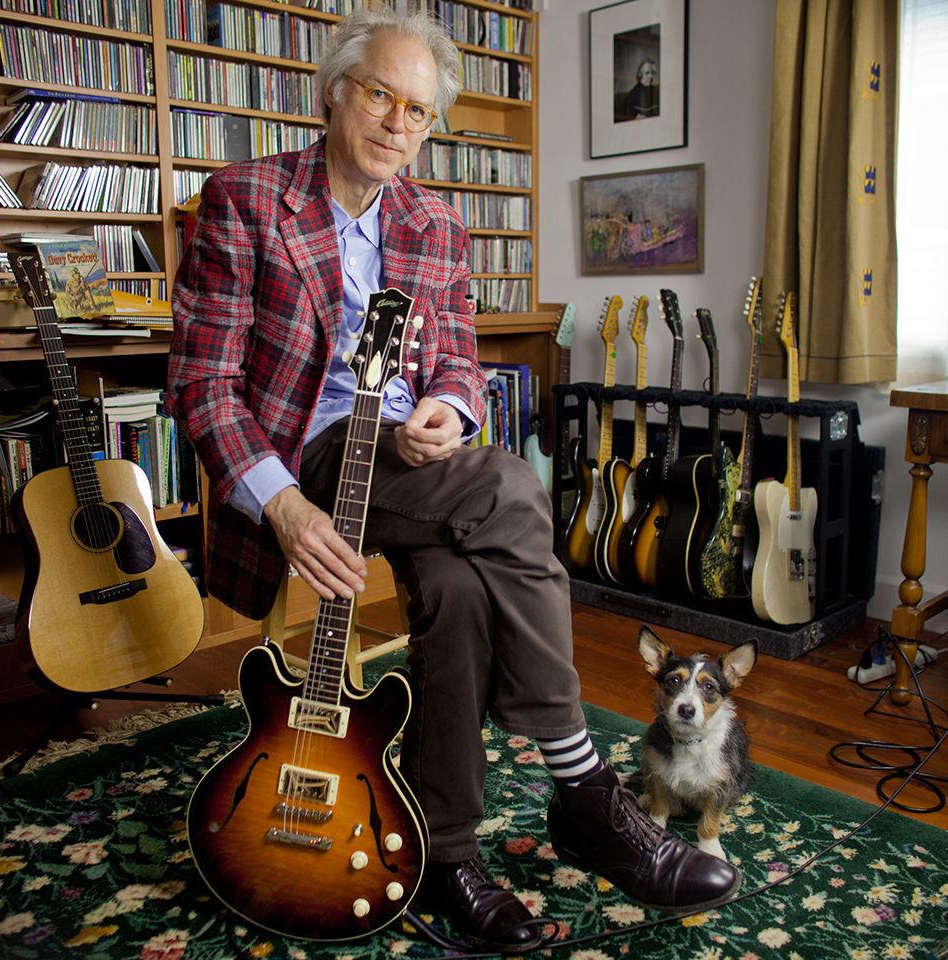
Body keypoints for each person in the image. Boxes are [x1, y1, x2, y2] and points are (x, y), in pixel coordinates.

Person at [167, 6, 737, 952]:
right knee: (514, 489)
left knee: (461, 582)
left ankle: (444, 857)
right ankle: (584, 785)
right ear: (335, 93)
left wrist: (455, 412)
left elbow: (461, 361)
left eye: (420, 111)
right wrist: (283, 503)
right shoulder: (246, 198)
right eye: (382, 96)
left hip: (402, 458)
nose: (399, 123)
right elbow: (203, 384)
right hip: (305, 456)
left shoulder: (434, 218)